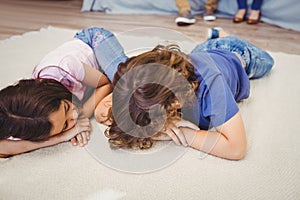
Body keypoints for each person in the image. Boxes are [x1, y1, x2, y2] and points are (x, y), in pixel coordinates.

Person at [86, 27, 274, 160]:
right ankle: (215, 36)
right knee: (203, 50)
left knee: (268, 62)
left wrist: (184, 134)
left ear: (174, 105)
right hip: (198, 53)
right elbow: (101, 111)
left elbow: (236, 148)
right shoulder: (135, 84)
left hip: (238, 54)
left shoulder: (212, 86)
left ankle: (223, 35)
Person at [0, 27, 124, 158]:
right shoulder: (26, 121)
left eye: (66, 107)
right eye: (65, 124)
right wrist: (63, 136)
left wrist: (83, 115)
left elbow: (105, 84)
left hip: (93, 41)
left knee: (128, 81)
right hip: (88, 76)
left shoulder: (67, 66)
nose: (74, 115)